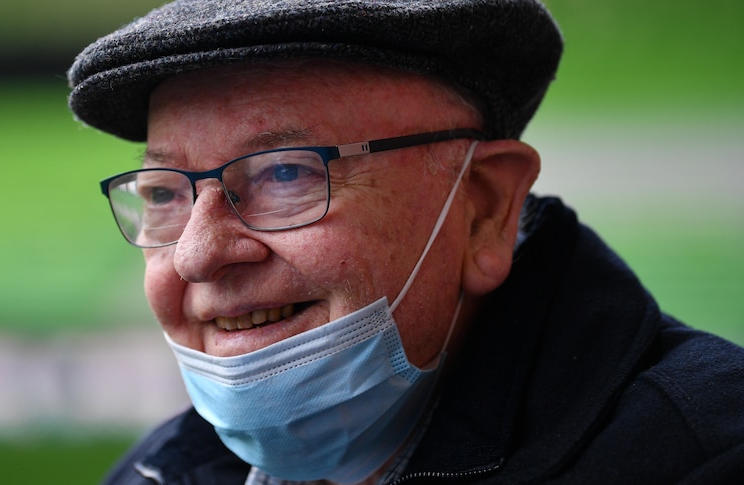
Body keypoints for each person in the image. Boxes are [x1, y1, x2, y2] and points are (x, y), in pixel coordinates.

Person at [67, 1, 744, 483]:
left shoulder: (707, 453)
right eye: (165, 192)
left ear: (484, 209)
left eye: (286, 171)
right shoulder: (159, 471)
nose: (197, 253)